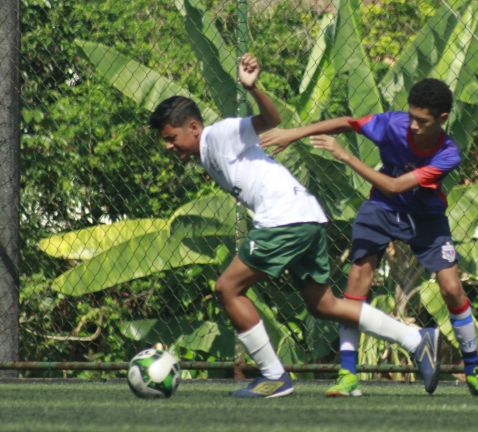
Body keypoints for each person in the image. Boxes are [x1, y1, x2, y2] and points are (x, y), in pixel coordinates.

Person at [148, 53, 441, 398]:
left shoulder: (219, 135)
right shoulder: (207, 151)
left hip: (283, 219)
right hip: (306, 217)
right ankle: (415, 338)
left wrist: (253, 88)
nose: (168, 147)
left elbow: (272, 119)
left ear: (193, 127)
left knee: (227, 288)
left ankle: (274, 376)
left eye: (171, 138)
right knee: (324, 305)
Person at [260, 78, 478, 397]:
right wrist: (295, 133)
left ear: (443, 119)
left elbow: (395, 185)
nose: (414, 126)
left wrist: (346, 157)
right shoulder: (392, 124)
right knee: (357, 281)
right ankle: (348, 376)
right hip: (380, 210)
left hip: (425, 219)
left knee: (452, 288)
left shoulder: (448, 154)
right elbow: (347, 123)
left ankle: (475, 371)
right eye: (412, 116)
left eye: (423, 121)